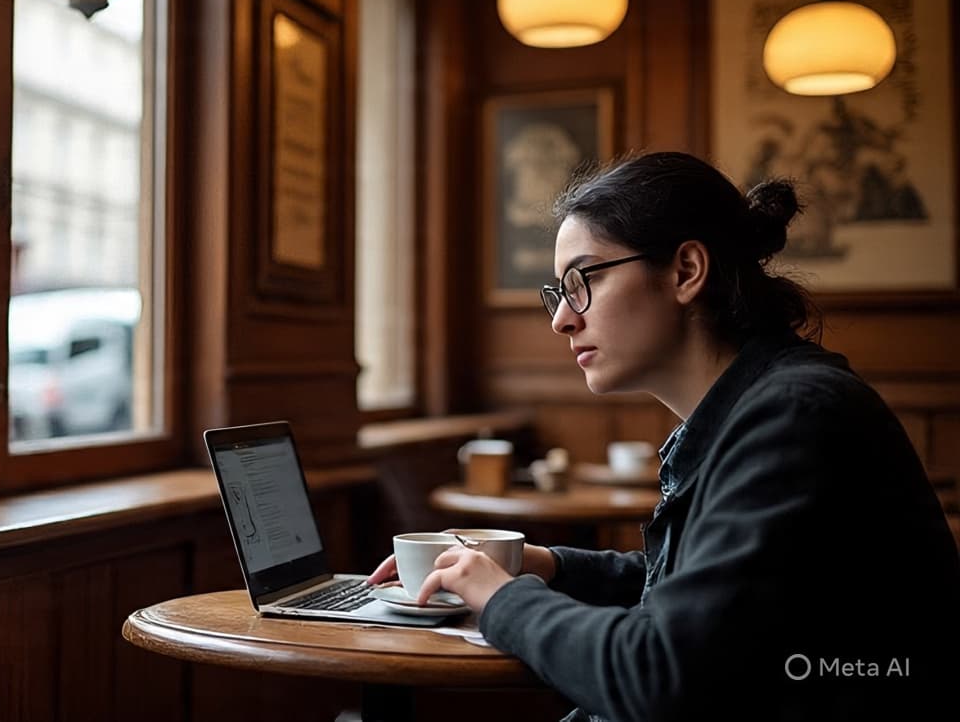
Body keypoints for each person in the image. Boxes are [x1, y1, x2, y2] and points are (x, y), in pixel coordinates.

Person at [367, 151, 960, 721]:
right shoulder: (760, 406)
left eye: (583, 281)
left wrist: (499, 598)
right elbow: (696, 594)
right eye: (558, 292)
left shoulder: (795, 416)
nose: (561, 318)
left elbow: (658, 671)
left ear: (686, 271)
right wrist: (547, 566)